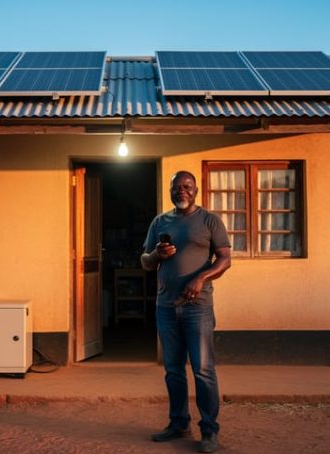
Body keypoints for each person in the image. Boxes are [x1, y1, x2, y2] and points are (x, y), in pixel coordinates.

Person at [141, 170, 231, 453]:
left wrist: (201, 278)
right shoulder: (159, 221)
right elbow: (145, 261)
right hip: (165, 307)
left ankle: (208, 430)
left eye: (187, 186)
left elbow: (225, 259)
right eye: (177, 187)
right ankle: (179, 422)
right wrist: (157, 254)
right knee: (173, 370)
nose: (182, 190)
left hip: (197, 309)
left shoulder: (209, 220)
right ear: (170, 191)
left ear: (196, 190)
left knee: (203, 370)